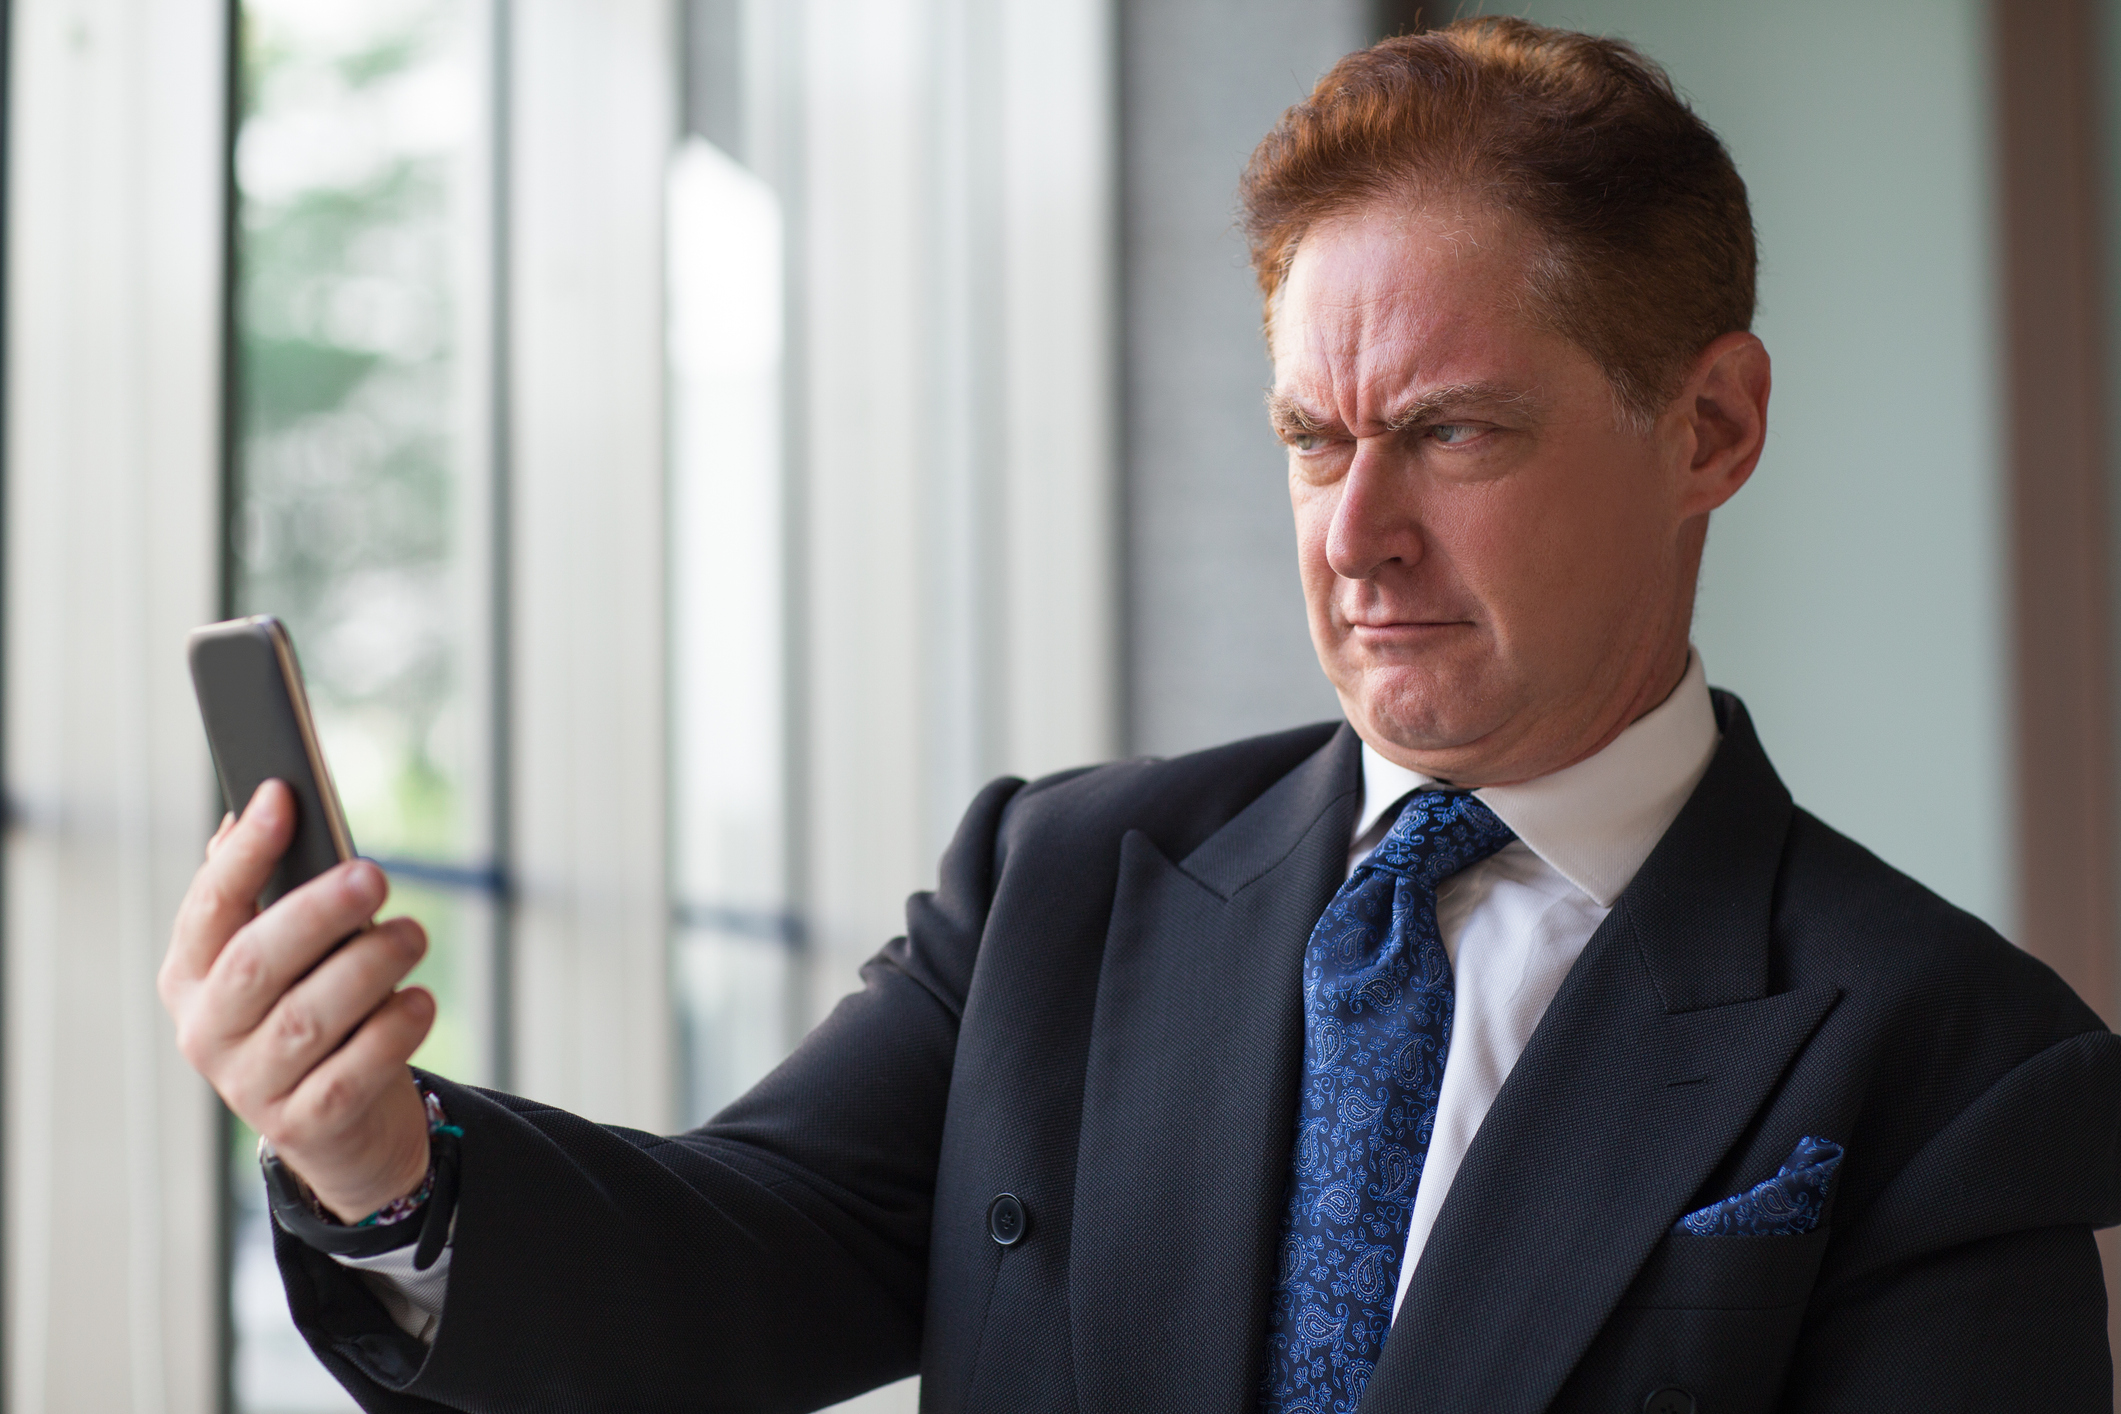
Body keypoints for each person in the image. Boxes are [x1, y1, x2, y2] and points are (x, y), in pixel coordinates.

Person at [161, 18, 2121, 1413]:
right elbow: (731, 1258)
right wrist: (378, 1158)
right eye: (1308, 436)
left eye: (1448, 430)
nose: (1353, 530)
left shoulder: (1956, 1063)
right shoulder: (1059, 877)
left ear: (1706, 425)